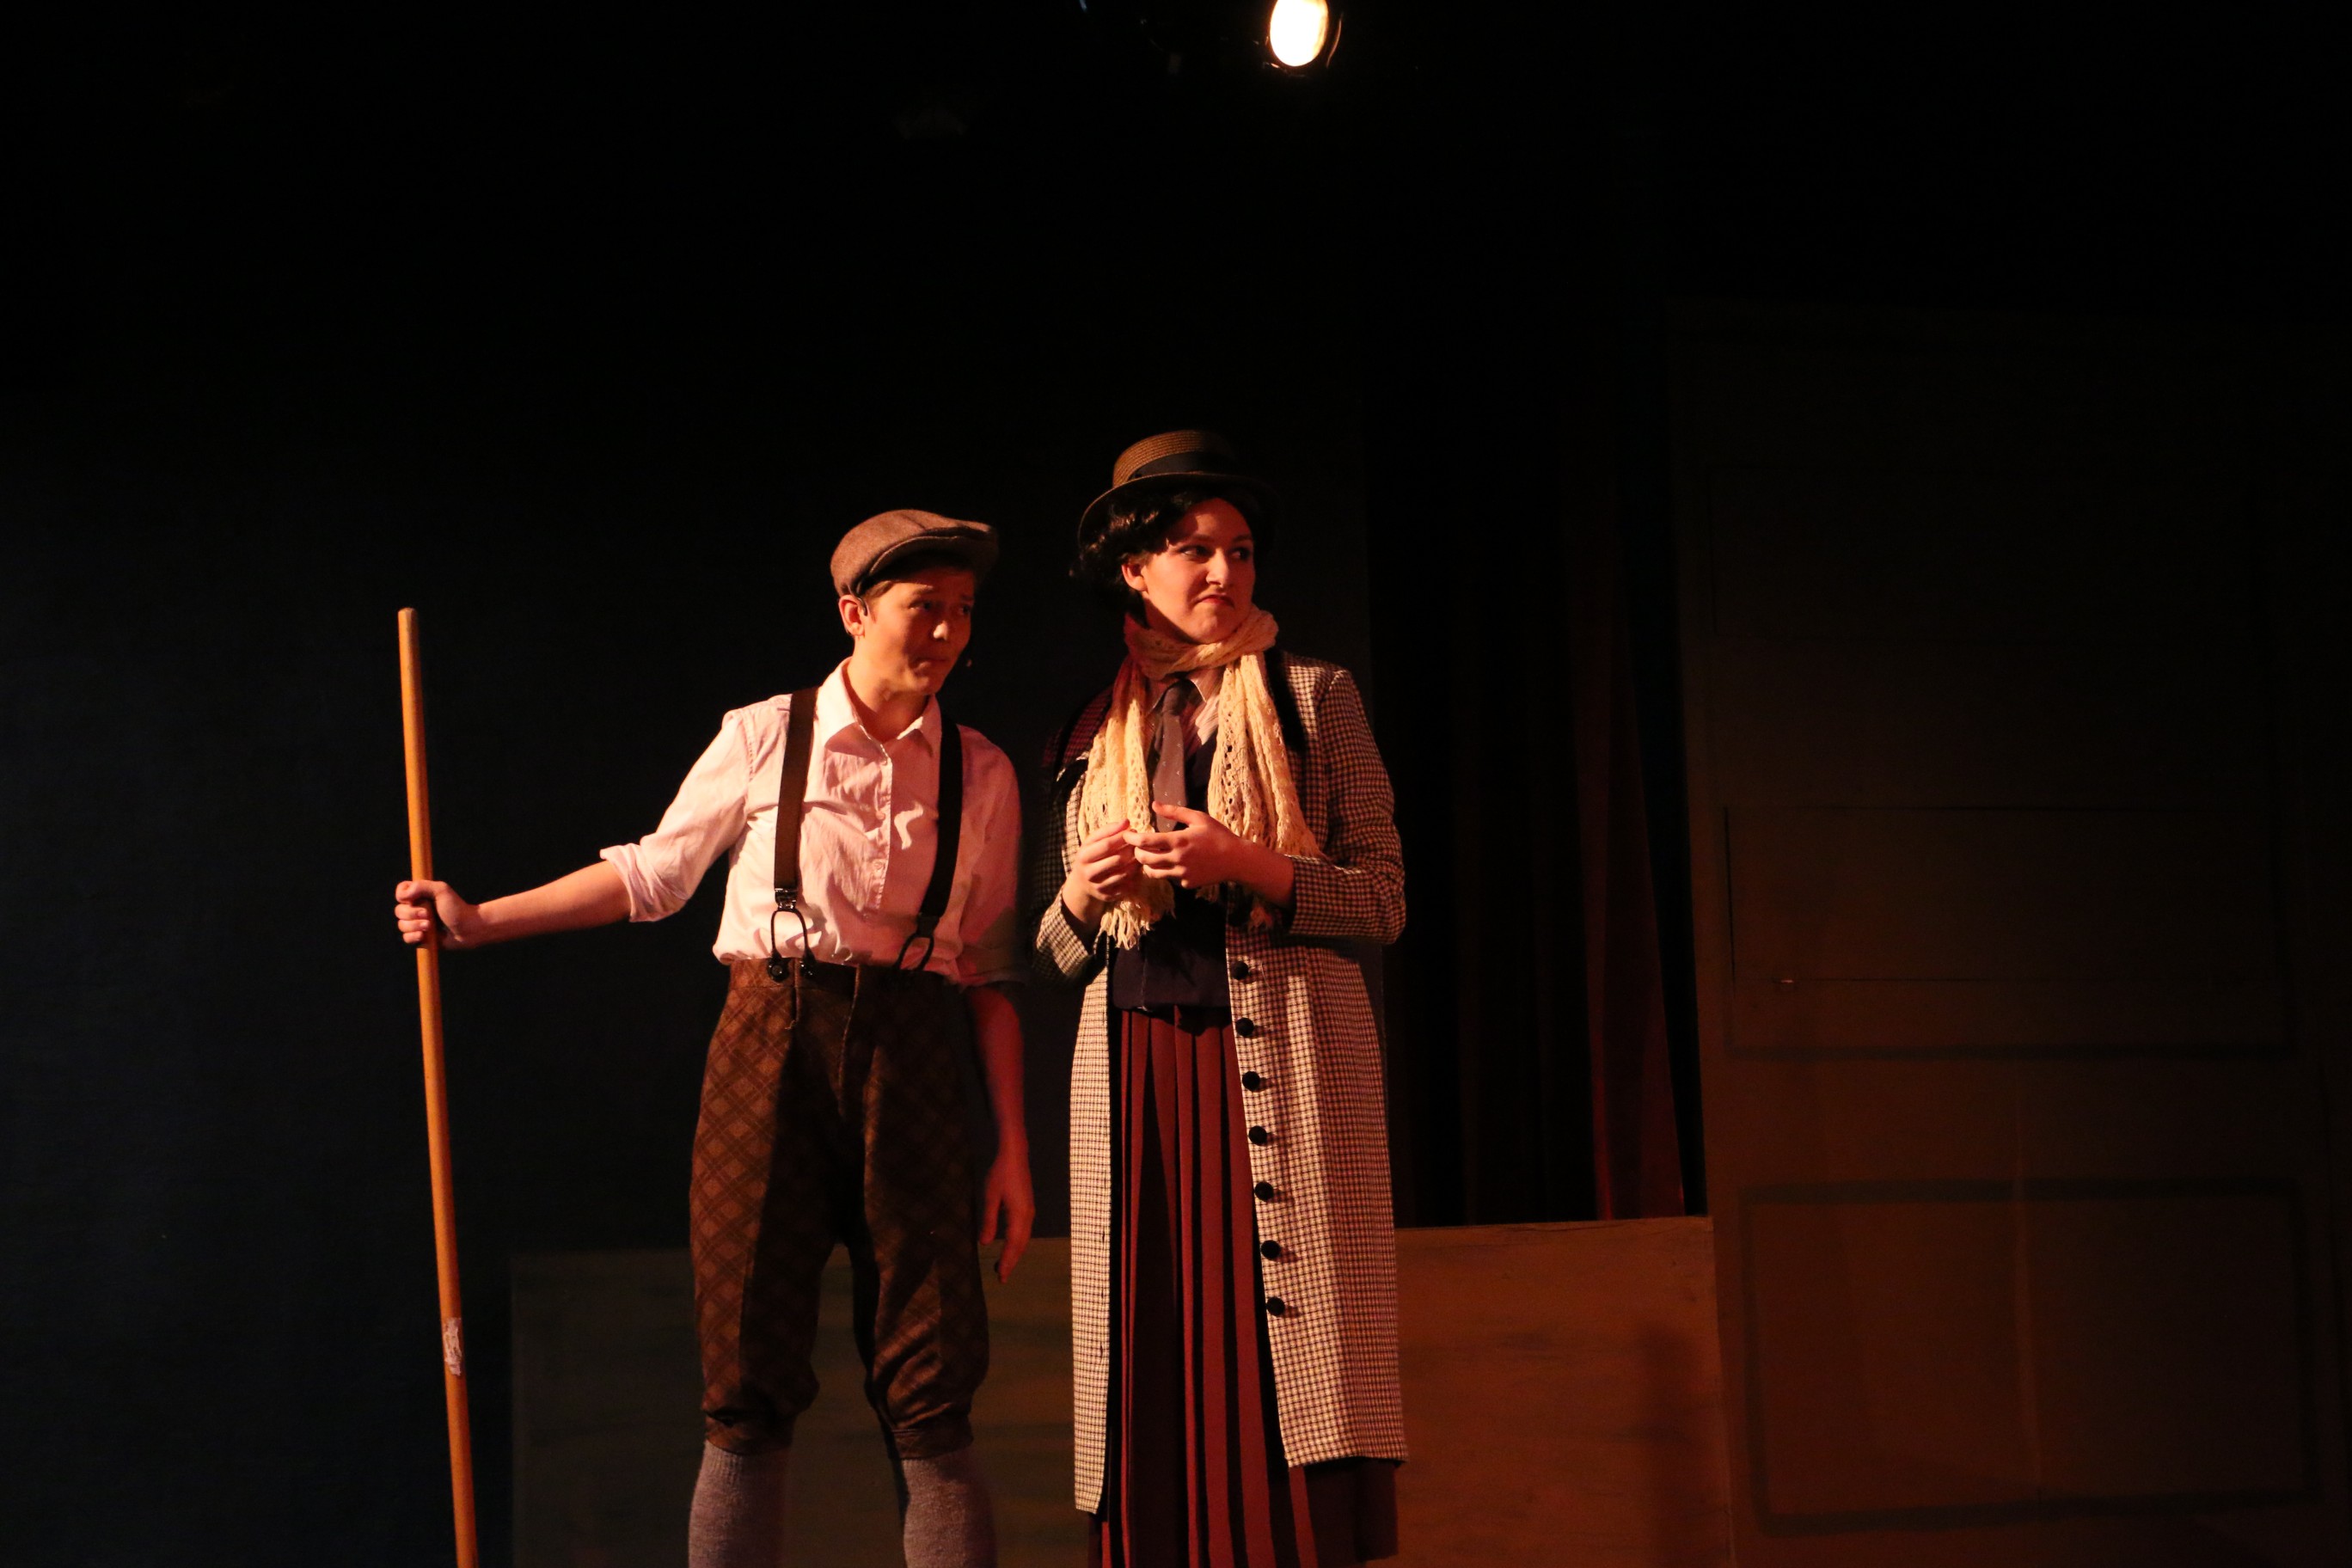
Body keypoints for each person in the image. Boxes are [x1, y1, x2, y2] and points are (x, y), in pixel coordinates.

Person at [394, 510, 1032, 1568]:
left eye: (963, 612)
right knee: (744, 1375)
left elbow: (989, 972)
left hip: (913, 1062)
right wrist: (481, 922)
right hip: (770, 1045)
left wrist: (1012, 1147)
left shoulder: (983, 770)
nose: (947, 634)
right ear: (854, 611)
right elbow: (655, 873)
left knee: (933, 1382)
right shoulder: (764, 735)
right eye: (924, 608)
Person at [1032, 432, 1407, 1566]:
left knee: (1289, 1358)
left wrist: (1248, 864)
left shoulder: (1312, 696)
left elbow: (1384, 899)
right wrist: (1083, 891)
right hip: (1139, 1078)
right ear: (1134, 570)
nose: (1223, 572)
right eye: (1193, 550)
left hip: (1276, 1059)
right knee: (1151, 1349)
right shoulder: (1095, 727)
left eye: (1239, 551)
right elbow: (1054, 948)